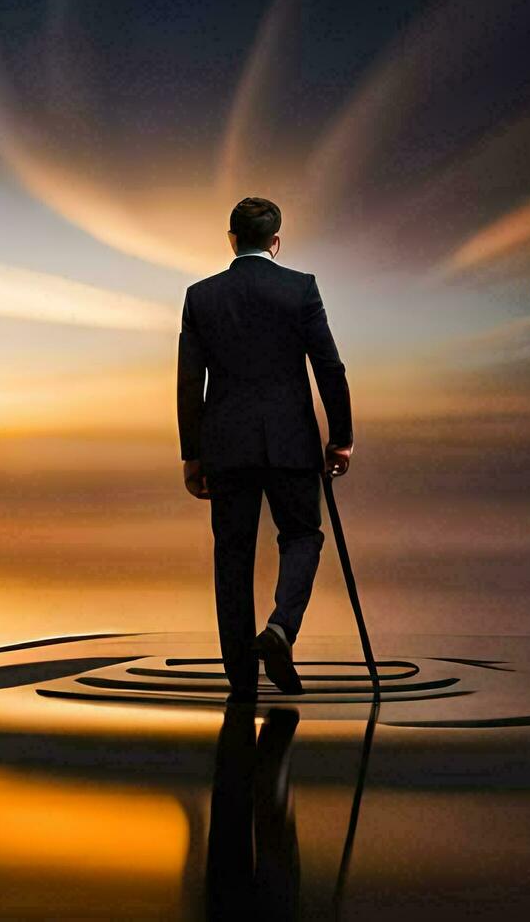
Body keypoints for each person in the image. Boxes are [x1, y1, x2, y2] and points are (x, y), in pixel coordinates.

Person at [177, 197, 352, 700]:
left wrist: (193, 453)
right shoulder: (299, 289)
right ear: (276, 243)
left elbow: (191, 383)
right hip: (292, 444)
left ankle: (242, 683)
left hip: (226, 448)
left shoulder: (201, 297)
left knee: (232, 557)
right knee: (302, 536)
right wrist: (341, 437)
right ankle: (280, 628)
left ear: (232, 240)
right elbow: (329, 368)